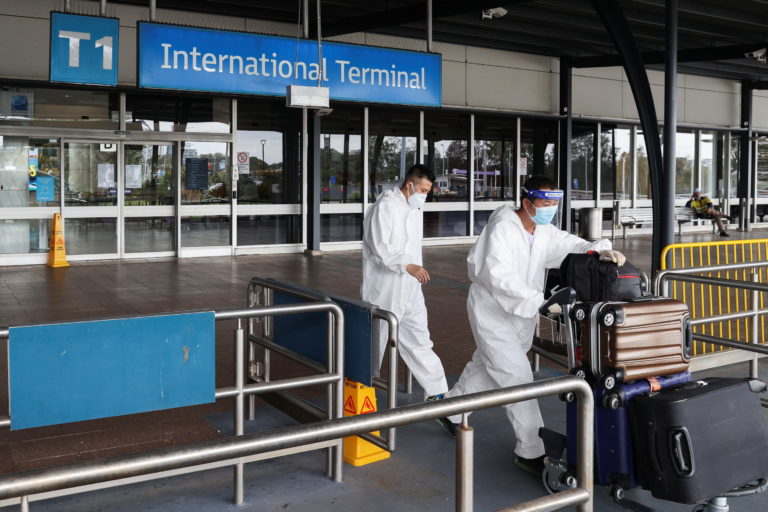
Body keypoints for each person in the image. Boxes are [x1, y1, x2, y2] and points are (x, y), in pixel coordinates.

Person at [441, 175, 625, 476]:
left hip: (520, 317)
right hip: (492, 314)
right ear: (527, 203)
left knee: (488, 367)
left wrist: (599, 250)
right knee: (517, 377)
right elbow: (498, 277)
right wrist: (539, 301)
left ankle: (451, 411)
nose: (550, 208)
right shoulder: (501, 229)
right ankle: (531, 450)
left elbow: (570, 245)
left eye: (554, 203)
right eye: (545, 203)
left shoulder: (543, 231)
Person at [361, 164, 449, 401]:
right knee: (375, 343)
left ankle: (438, 392)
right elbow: (379, 247)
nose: (424, 195)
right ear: (409, 184)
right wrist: (407, 265)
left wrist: (412, 269)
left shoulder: (413, 209)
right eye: (422, 189)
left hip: (410, 289)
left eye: (428, 191)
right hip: (385, 289)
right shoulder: (385, 207)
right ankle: (359, 396)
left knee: (419, 339)